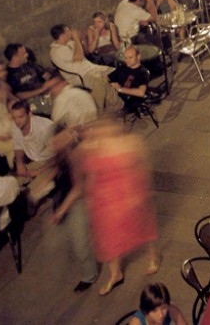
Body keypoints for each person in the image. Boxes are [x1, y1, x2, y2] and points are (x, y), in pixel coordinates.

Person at [52, 117, 159, 295]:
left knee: (142, 226)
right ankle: (115, 274)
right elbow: (83, 180)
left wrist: (140, 191)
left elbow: (143, 167)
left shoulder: (130, 142)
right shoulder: (86, 149)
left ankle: (152, 255)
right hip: (105, 200)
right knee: (108, 237)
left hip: (129, 192)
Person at [49, 23, 116, 110]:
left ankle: (117, 102)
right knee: (101, 82)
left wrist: (82, 39)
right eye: (68, 30)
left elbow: (86, 52)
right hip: (82, 76)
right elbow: (78, 57)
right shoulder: (56, 51)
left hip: (92, 68)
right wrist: (76, 39)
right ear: (63, 34)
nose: (71, 32)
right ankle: (99, 111)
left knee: (116, 72)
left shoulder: (69, 43)